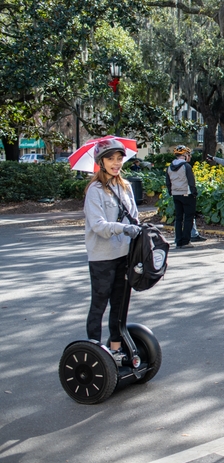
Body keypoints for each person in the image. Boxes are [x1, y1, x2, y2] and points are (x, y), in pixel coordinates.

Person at [82, 138, 142, 364]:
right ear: (100, 161)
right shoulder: (94, 190)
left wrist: (138, 227)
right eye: (110, 159)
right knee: (99, 303)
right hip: (102, 257)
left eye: (119, 158)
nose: (116, 163)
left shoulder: (124, 187)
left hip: (124, 254)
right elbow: (98, 226)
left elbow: (134, 216)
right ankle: (94, 350)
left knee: (120, 302)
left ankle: (115, 348)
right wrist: (123, 228)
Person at [165, 145, 197, 249]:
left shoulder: (170, 167)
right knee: (188, 218)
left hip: (175, 194)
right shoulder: (186, 166)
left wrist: (171, 192)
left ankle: (178, 241)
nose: (189, 157)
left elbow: (168, 182)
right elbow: (191, 181)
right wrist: (194, 192)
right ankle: (185, 241)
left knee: (178, 218)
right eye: (188, 155)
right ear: (184, 155)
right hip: (186, 194)